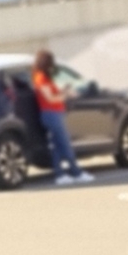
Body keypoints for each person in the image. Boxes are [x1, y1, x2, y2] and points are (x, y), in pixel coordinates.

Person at [31, 51, 88, 185]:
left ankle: (60, 175)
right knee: (65, 143)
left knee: (57, 146)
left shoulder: (45, 77)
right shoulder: (40, 78)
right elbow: (49, 98)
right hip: (51, 114)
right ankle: (76, 172)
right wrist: (65, 95)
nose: (52, 66)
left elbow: (53, 94)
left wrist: (63, 91)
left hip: (54, 113)